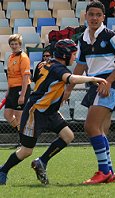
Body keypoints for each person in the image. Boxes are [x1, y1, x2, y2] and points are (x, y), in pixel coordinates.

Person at [0, 39, 107, 185]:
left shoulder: (43, 64)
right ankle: (3, 170)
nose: (75, 58)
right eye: (74, 54)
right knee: (26, 150)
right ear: (65, 55)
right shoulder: (58, 69)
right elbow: (71, 79)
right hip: (36, 111)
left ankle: (42, 162)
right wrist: (93, 78)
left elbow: (44, 82)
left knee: (68, 136)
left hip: (50, 111)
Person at [63, 1, 115, 184]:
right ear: (85, 16)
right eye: (91, 14)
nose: (94, 18)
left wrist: (108, 81)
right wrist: (68, 88)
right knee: (98, 129)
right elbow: (81, 65)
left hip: (109, 84)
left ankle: (103, 171)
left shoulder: (111, 36)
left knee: (90, 127)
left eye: (98, 15)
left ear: (103, 17)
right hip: (94, 84)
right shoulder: (83, 38)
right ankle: (109, 171)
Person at [4, 34, 31, 146]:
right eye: (12, 44)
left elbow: (25, 77)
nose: (14, 46)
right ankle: (23, 134)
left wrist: (22, 95)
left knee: (19, 116)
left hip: (22, 88)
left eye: (16, 44)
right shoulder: (11, 57)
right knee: (7, 114)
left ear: (20, 45)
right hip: (12, 89)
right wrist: (8, 90)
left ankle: (23, 141)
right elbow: (10, 76)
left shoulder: (23, 57)